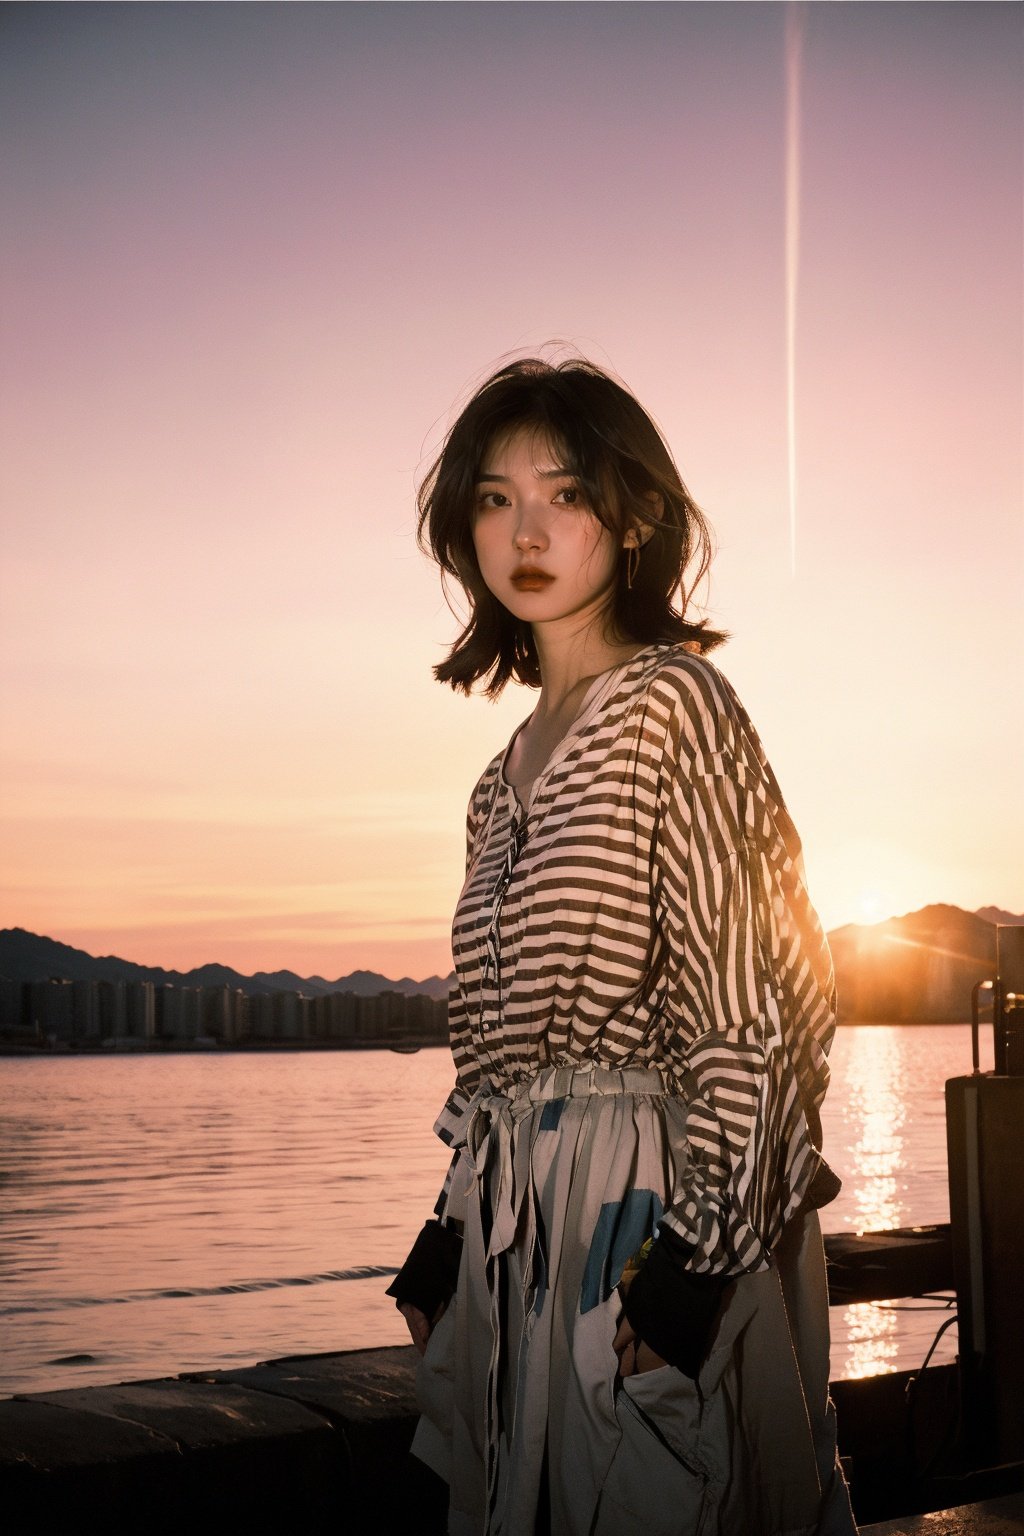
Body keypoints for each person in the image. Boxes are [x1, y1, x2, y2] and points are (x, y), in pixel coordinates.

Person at [386, 356, 857, 1536]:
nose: (525, 529)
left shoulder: (673, 707)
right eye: (494, 499)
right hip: (517, 1237)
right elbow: (489, 1062)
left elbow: (750, 1009)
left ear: (633, 515)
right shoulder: (497, 785)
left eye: (565, 493)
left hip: (643, 1218)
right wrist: (450, 1243)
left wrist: (696, 1265)